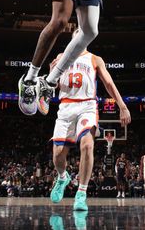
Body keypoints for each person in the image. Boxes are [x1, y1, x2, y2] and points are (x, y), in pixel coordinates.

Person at [48, 49, 130, 212]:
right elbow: (53, 86)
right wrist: (51, 72)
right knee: (57, 154)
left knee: (87, 145)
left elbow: (108, 83)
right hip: (65, 106)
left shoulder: (95, 59)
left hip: (87, 105)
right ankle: (63, 178)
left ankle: (81, 193)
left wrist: (123, 106)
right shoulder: (60, 57)